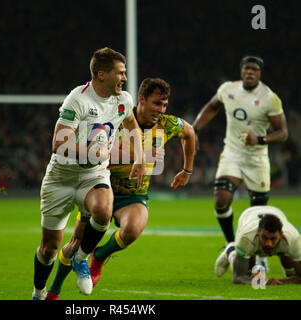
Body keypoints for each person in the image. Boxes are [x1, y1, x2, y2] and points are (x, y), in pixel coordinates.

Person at [45, 77, 196, 300]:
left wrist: (187, 170)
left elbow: (189, 133)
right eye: (156, 103)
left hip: (133, 195)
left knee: (133, 229)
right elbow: (106, 154)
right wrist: (143, 156)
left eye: (164, 105)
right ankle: (54, 290)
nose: (161, 110)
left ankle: (100, 256)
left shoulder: (167, 125)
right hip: (100, 189)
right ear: (141, 99)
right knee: (75, 245)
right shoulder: (118, 116)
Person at [32, 47, 145, 300]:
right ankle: (38, 292)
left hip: (93, 175)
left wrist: (139, 158)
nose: (125, 78)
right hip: (61, 178)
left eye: (125, 73)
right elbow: (59, 144)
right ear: (102, 74)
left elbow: (132, 127)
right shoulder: (78, 99)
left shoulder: (123, 100)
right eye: (120, 73)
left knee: (103, 212)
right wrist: (91, 153)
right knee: (49, 249)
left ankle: (81, 258)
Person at [192, 56, 288, 253]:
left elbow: (283, 133)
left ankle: (259, 254)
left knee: (258, 211)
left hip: (257, 158)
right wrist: (194, 130)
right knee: (221, 198)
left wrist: (259, 139)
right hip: (232, 154)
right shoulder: (228, 89)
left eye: (254, 69)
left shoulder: (270, 98)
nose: (250, 72)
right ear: (241, 71)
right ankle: (231, 243)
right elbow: (211, 108)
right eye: (247, 69)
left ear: (259, 74)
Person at [214, 205, 301, 285]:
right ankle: (231, 251)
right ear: (258, 232)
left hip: (276, 211)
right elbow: (238, 277)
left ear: (281, 234)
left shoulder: (294, 238)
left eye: (273, 238)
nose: (268, 244)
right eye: (264, 238)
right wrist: (265, 282)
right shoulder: (247, 237)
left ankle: (284, 260)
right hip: (248, 215)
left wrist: (279, 281)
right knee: (248, 272)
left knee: (291, 271)